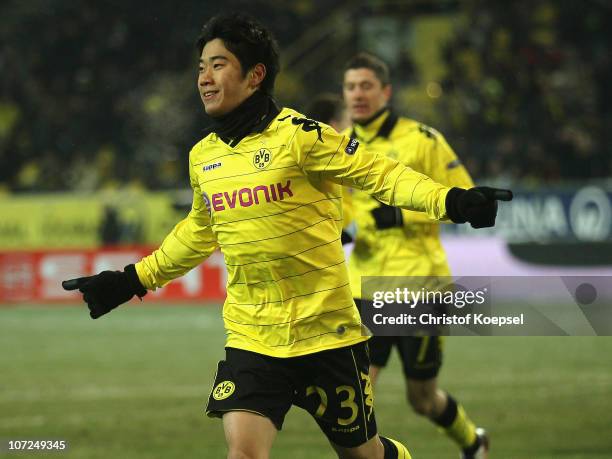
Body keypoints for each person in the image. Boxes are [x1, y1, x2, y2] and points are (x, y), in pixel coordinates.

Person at [62, 14, 511, 459]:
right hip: (253, 337)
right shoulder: (204, 157)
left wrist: (451, 201)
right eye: (201, 67)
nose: (204, 78)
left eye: (218, 65)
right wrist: (132, 280)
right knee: (244, 455)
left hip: (327, 335)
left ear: (255, 75)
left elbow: (380, 174)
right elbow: (199, 231)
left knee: (365, 455)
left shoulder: (302, 137)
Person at [341, 52, 489, 459]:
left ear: (385, 91)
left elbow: (463, 196)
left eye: (366, 85)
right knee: (354, 395)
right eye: (351, 87)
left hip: (421, 285)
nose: (358, 94)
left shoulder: (423, 140)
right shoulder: (338, 143)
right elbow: (338, 205)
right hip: (365, 286)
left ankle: (474, 443)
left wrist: (412, 209)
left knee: (421, 399)